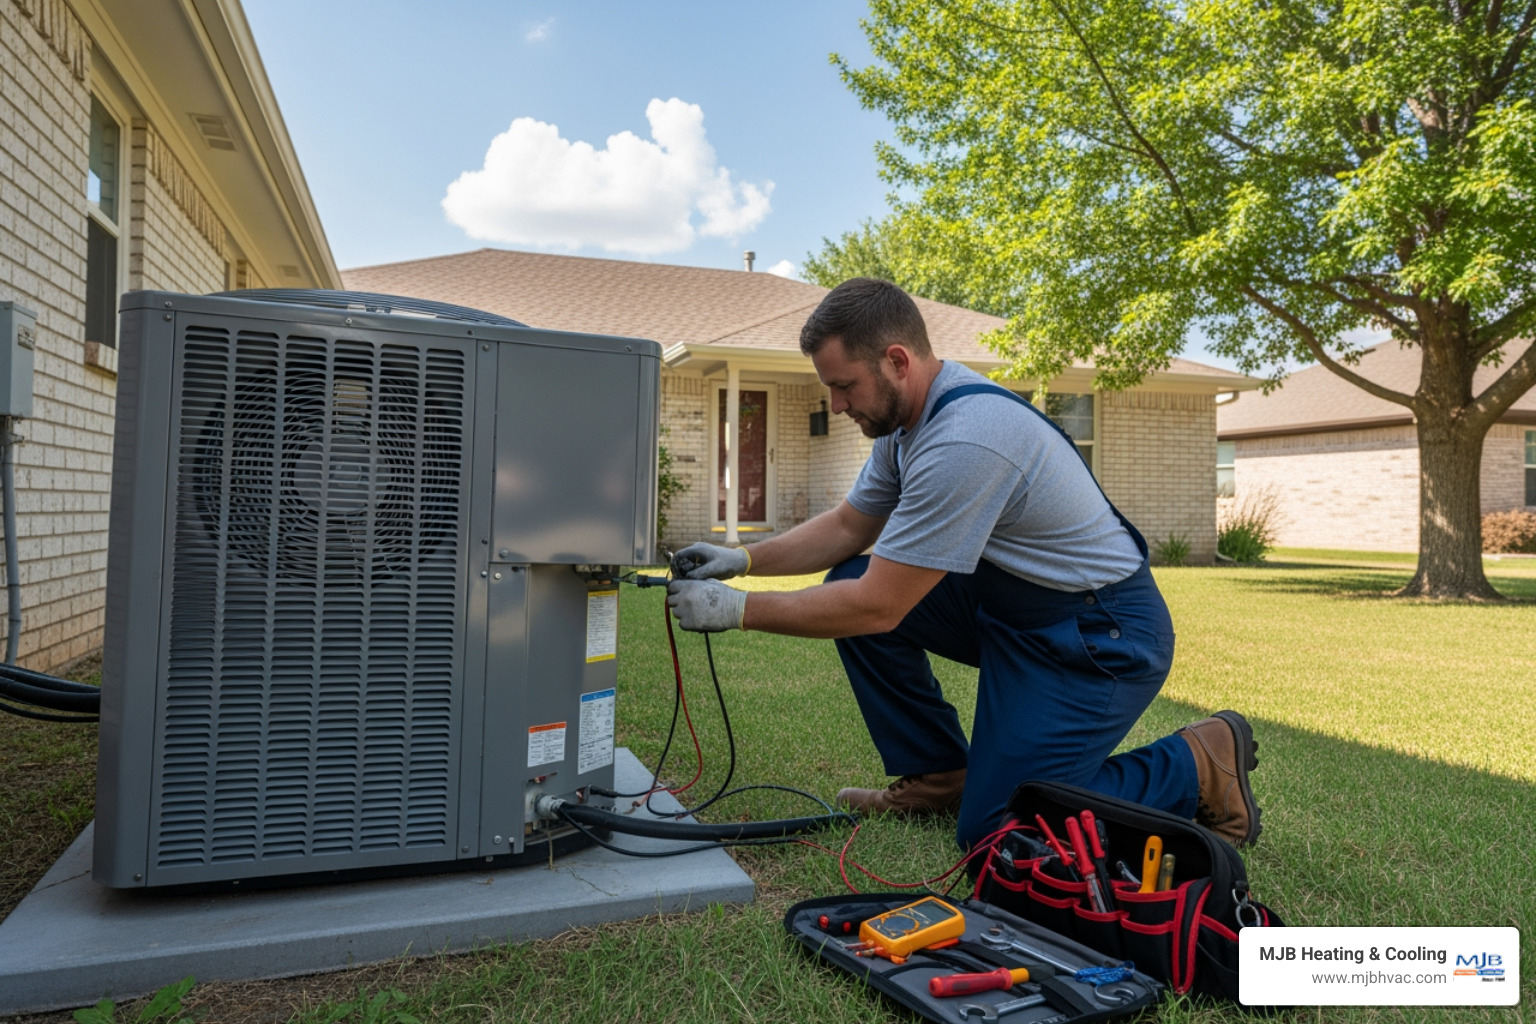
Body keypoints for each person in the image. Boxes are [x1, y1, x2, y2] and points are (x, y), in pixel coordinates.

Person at [666, 278, 1260, 852]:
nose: (836, 404)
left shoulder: (966, 440)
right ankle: (938, 775)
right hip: (1013, 607)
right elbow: (850, 527)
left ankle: (1197, 764)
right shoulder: (905, 428)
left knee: (1000, 830)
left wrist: (737, 610)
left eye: (844, 385)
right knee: (847, 576)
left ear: (897, 360)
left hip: (1096, 636)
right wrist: (740, 559)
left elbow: (879, 605)